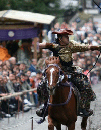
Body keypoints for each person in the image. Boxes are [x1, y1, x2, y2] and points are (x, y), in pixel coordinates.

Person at [36, 28, 101, 118]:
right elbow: (41, 45)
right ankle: (44, 106)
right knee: (41, 85)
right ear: (60, 38)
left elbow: (84, 47)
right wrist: (35, 43)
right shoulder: (54, 46)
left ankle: (83, 107)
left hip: (70, 70)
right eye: (66, 36)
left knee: (84, 82)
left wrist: (97, 47)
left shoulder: (71, 45)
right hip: (57, 72)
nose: (68, 38)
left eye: (68, 36)